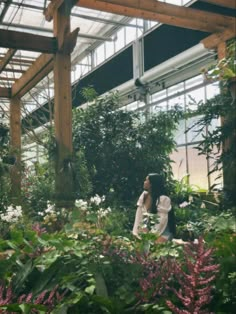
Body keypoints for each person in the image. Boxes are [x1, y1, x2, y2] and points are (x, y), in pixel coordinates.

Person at [132, 173, 176, 241]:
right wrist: (136, 233)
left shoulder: (163, 199)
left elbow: (161, 221)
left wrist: (150, 236)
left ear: (151, 184)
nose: (144, 182)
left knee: (153, 247)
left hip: (162, 231)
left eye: (146, 180)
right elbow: (138, 217)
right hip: (146, 231)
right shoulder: (144, 196)